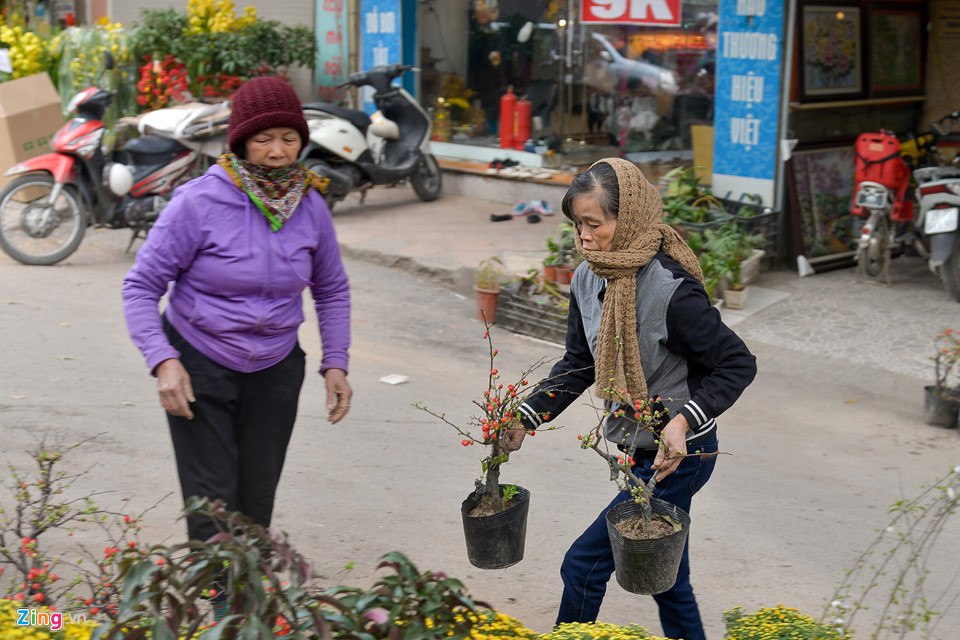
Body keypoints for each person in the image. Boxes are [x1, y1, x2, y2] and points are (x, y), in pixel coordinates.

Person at [503, 158, 756, 640]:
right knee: (667, 579)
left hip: (680, 455)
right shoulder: (587, 278)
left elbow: (737, 363)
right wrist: (525, 416)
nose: (583, 237)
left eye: (593, 224)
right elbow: (580, 364)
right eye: (577, 224)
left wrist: (682, 423)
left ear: (630, 218)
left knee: (583, 565)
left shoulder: (671, 290)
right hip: (638, 447)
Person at [121, 76, 352, 562]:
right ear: (241, 141)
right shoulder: (197, 202)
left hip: (275, 367)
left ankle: (244, 605)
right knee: (211, 505)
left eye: (289, 138)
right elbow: (140, 287)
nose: (277, 151)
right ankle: (214, 606)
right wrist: (163, 360)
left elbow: (330, 288)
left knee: (255, 500)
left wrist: (336, 362)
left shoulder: (309, 204)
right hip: (199, 363)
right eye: (264, 138)